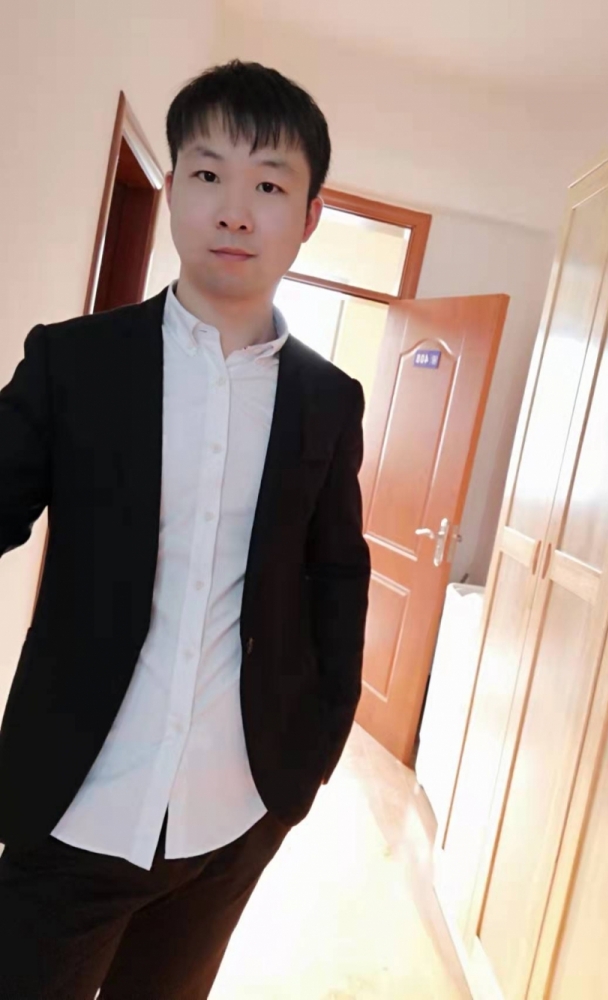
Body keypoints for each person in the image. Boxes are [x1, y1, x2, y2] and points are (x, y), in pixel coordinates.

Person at [0, 60, 370, 999]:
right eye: (208, 175)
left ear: (310, 215)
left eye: (269, 186)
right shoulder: (75, 363)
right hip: (76, 803)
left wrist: (312, 755)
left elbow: (337, 577)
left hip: (233, 812)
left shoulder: (328, 399)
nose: (235, 212)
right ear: (171, 191)